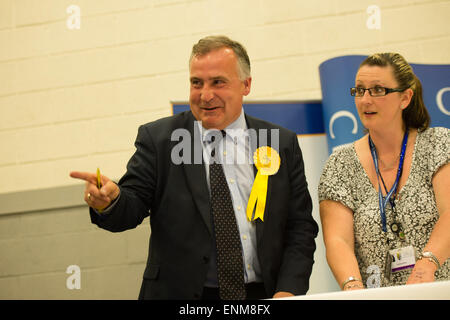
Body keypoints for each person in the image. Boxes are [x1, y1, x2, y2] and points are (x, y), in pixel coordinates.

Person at [70, 35, 318, 300]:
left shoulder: (280, 143)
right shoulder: (160, 140)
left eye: (218, 82)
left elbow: (300, 227)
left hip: (263, 295)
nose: (205, 95)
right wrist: (109, 201)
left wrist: (288, 290)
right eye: (196, 83)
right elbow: (130, 208)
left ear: (246, 85)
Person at [318, 53, 449, 291]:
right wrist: (352, 286)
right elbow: (338, 240)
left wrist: (427, 264)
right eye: (359, 90)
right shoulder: (340, 163)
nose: (365, 100)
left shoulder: (439, 143)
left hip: (439, 289)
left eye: (378, 90)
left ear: (405, 98)